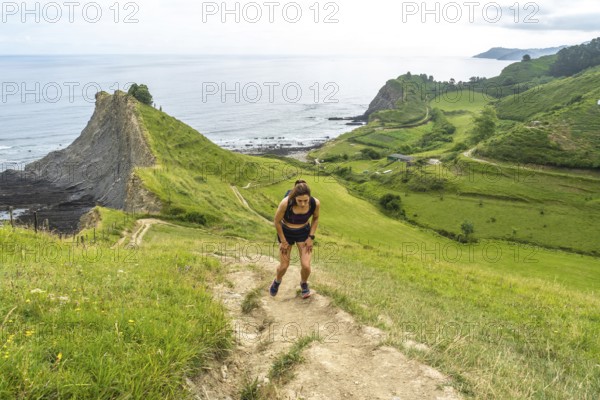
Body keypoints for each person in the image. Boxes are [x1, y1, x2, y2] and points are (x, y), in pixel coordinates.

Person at [270, 180, 320, 299]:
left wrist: (311, 237)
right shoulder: (286, 203)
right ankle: (277, 281)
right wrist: (283, 240)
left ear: (309, 197)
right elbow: (276, 222)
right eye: (299, 201)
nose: (303, 204)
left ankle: (303, 284)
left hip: (303, 233)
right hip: (286, 233)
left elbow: (316, 218)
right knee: (284, 265)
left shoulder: (315, 203)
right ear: (294, 197)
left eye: (305, 200)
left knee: (306, 265)